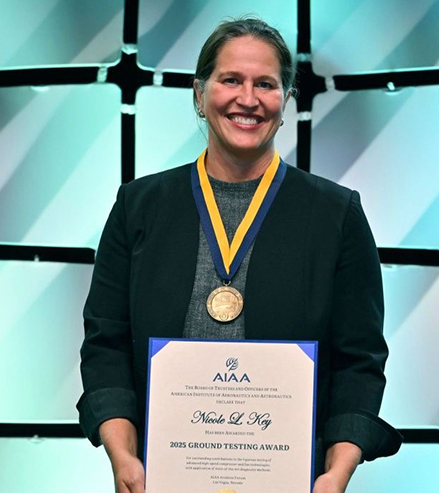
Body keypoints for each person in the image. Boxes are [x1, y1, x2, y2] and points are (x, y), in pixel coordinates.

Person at [77, 17, 402, 493]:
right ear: (199, 93)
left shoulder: (336, 215)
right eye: (230, 80)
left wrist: (336, 474)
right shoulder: (139, 206)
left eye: (265, 84)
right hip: (162, 482)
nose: (248, 99)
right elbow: (106, 344)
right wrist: (123, 456)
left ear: (286, 100)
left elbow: (360, 362)